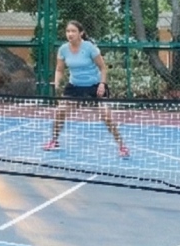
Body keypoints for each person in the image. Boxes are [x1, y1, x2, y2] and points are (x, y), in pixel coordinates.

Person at [44, 19, 129, 158]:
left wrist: (102, 84)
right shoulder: (63, 49)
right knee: (60, 111)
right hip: (75, 86)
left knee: (106, 116)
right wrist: (56, 83)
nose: (70, 34)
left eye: (73, 31)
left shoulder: (89, 47)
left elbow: (102, 67)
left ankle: (122, 146)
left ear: (81, 33)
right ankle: (54, 141)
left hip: (94, 86)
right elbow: (59, 69)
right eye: (68, 31)